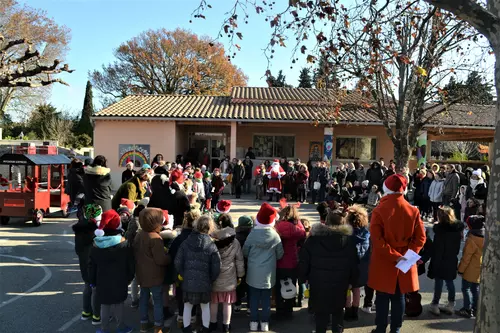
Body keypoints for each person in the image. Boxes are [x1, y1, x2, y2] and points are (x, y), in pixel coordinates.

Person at [368, 174, 426, 333]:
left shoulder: (379, 210)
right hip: (405, 258)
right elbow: (421, 237)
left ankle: (380, 328)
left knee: (382, 297)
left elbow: (377, 241)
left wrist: (395, 255)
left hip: (384, 260)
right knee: (399, 296)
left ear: (385, 189)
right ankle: (396, 329)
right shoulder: (413, 210)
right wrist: (408, 254)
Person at [299, 209, 359, 333]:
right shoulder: (349, 241)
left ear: (326, 222)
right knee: (338, 315)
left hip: (318, 283)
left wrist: (302, 278)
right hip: (340, 283)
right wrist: (353, 281)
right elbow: (354, 264)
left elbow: (304, 261)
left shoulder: (313, 240)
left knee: (320, 317)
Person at [89, 210, 135, 333]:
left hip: (101, 279)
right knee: (119, 302)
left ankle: (104, 328)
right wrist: (129, 277)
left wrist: (92, 281)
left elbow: (92, 266)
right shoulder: (124, 243)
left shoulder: (95, 245)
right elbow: (130, 264)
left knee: (104, 303)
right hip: (120, 279)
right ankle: (120, 326)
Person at [175, 216, 221, 333]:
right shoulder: (211, 245)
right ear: (210, 227)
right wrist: (211, 278)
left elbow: (177, 261)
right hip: (205, 282)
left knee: (187, 306)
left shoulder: (186, 242)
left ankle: (186, 329)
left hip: (188, 281)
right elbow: (217, 266)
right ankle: (205, 329)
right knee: (205, 307)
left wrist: (183, 274)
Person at [243, 203, 284, 332]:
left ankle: (254, 322)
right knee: (266, 299)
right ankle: (265, 322)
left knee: (254, 298)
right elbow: (280, 254)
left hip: (253, 271)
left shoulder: (252, 234)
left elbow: (245, 251)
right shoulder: (275, 236)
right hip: (268, 273)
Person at [134, 208, 172, 333]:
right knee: (158, 301)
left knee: (144, 299)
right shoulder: (155, 238)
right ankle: (158, 326)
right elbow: (160, 260)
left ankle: (144, 323)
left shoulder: (139, 235)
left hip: (141, 274)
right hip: (155, 276)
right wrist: (169, 257)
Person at [209, 216, 245, 333]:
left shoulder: (211, 240)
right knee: (227, 303)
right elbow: (239, 260)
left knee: (213, 302)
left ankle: (213, 323)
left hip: (214, 277)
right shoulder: (234, 242)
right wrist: (240, 274)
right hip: (229, 277)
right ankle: (226, 325)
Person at [427, 207, 464, 316]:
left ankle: (435, 304)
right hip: (451, 258)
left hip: (440, 259)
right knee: (449, 282)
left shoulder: (439, 230)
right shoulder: (457, 229)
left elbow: (437, 247)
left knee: (439, 283)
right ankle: (451, 304)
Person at [167, 210, 201, 328]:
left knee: (181, 295)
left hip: (180, 273)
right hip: (196, 273)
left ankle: (181, 317)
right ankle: (192, 318)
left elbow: (171, 255)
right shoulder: (200, 238)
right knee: (194, 296)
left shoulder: (179, 238)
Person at [274, 203, 306, 319]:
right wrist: (299, 222)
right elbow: (303, 233)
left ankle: (279, 310)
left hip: (279, 261)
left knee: (278, 287)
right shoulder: (295, 228)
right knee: (291, 286)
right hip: (292, 262)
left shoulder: (278, 226)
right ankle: (289, 310)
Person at [73, 204, 101, 325]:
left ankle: (86, 311)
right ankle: (96, 315)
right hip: (93, 263)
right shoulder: (96, 231)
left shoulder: (79, 229)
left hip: (83, 262)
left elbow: (77, 249)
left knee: (87, 286)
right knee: (95, 289)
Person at [344, 205, 370, 322]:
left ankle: (348, 310)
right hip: (362, 265)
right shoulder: (366, 234)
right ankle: (355, 312)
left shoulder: (347, 234)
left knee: (347, 288)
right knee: (357, 288)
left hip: (349, 265)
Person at [457, 215, 484, 318]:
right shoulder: (486, 237)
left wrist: (460, 270)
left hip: (469, 269)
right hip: (480, 268)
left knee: (466, 288)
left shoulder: (472, 239)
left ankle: (467, 309)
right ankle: (476, 308)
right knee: (475, 289)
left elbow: (466, 257)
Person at [234, 215, 254, 312]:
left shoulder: (235, 237)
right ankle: (250, 306)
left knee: (238, 284)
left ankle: (237, 304)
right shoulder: (252, 236)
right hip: (250, 264)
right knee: (250, 285)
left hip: (237, 264)